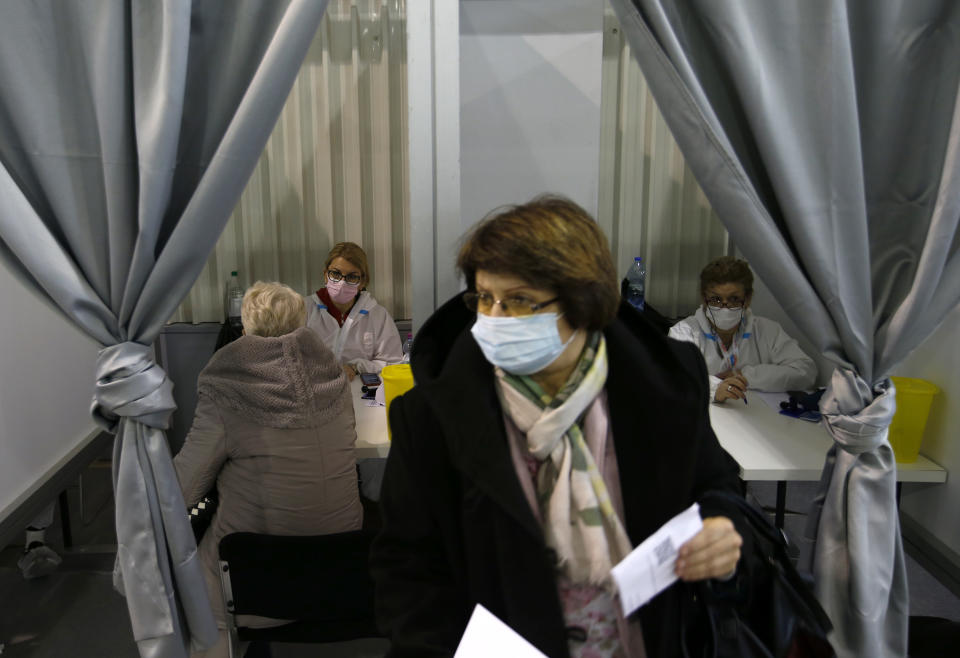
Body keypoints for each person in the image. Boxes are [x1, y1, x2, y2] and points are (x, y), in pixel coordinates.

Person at [371, 196, 751, 657]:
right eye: (484, 298)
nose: (492, 319)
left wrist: (719, 527)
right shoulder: (432, 417)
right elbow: (405, 571)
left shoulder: (662, 386)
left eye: (519, 302)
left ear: (583, 302)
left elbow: (715, 482)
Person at [174, 281, 362, 658]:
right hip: (345, 569)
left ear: (244, 332)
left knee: (190, 570)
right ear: (303, 325)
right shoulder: (335, 382)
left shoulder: (226, 390)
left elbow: (182, 489)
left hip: (255, 580)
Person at [668, 257, 817, 404]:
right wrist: (716, 388)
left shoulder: (767, 330)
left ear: (748, 299)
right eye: (716, 299)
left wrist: (745, 376)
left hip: (754, 416)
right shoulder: (683, 333)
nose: (724, 308)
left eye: (734, 299)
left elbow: (806, 372)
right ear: (703, 298)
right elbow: (674, 378)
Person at [305, 242, 404, 380]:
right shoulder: (304, 310)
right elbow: (289, 358)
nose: (342, 282)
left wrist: (356, 367)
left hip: (361, 397)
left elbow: (393, 364)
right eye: (335, 274)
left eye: (351, 277)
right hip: (316, 392)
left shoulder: (378, 316)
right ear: (325, 275)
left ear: (362, 282)